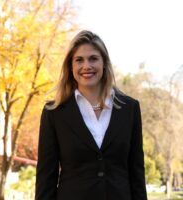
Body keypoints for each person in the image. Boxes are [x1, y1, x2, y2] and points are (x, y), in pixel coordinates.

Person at [35, 30, 148, 200]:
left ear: (104, 63)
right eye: (79, 60)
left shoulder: (129, 109)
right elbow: (46, 177)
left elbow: (136, 172)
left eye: (93, 58)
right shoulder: (54, 113)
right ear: (71, 66)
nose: (86, 66)